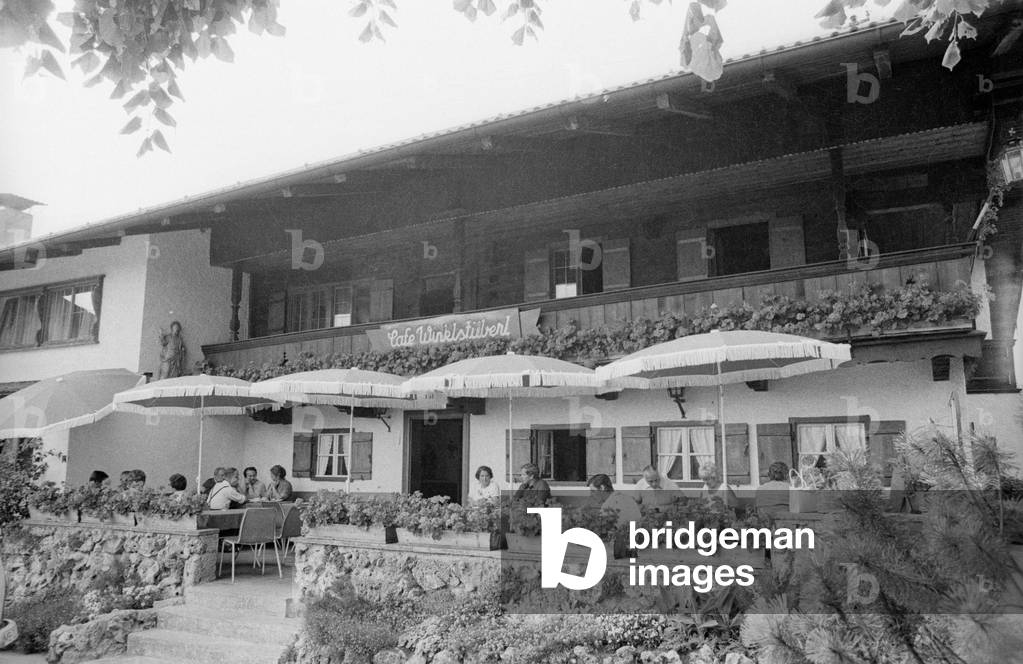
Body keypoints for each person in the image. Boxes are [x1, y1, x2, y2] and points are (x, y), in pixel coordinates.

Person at [587, 474, 642, 558]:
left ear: (602, 488)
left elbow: (603, 533)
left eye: (593, 491)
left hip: (622, 552)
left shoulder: (608, 506)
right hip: (638, 546)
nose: (591, 494)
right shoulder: (627, 498)